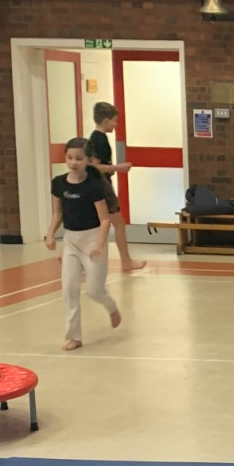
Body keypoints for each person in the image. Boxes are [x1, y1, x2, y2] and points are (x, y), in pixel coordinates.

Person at [46, 137, 122, 351]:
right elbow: (57, 213)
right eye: (69, 157)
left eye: (79, 158)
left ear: (89, 160)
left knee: (95, 290)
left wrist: (99, 244)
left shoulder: (94, 186)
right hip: (71, 240)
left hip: (93, 239)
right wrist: (50, 235)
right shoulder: (58, 183)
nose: (73, 162)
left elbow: (105, 220)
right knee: (69, 289)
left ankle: (111, 306)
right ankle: (74, 336)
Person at [87, 102, 146, 271]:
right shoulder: (99, 140)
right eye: (114, 121)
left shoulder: (97, 138)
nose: (116, 124)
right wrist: (117, 168)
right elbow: (94, 167)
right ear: (106, 121)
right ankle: (126, 261)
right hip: (103, 187)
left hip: (102, 185)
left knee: (98, 225)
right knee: (118, 224)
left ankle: (82, 259)